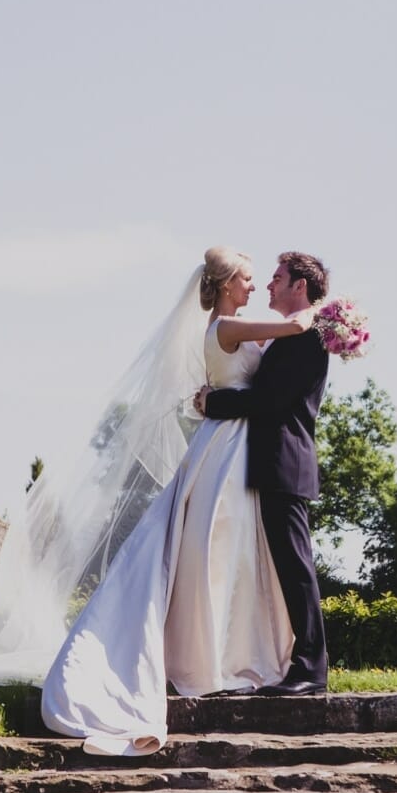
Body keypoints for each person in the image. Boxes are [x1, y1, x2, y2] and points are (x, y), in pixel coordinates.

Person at [40, 247, 316, 754]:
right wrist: (330, 313)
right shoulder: (228, 327)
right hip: (229, 447)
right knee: (218, 547)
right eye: (249, 279)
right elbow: (295, 332)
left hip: (235, 444)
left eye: (263, 279)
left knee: (228, 551)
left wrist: (212, 398)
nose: (256, 287)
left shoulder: (231, 327)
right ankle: (214, 659)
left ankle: (230, 653)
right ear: (228, 283)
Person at [195, 250, 331, 694]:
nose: (267, 286)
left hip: (284, 462)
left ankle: (310, 669)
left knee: (296, 567)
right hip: (265, 462)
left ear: (299, 287)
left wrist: (213, 403)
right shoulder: (285, 336)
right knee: (284, 569)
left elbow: (269, 400)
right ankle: (292, 662)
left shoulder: (306, 335)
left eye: (276, 278)